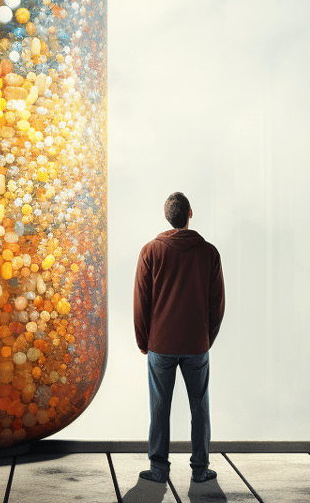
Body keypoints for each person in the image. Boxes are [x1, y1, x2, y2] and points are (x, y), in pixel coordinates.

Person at [133, 191, 225, 485]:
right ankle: (200, 469)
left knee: (160, 406)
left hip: (160, 344)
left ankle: (158, 469)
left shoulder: (150, 251)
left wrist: (142, 340)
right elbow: (217, 303)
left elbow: (141, 301)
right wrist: (205, 339)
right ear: (190, 214)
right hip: (196, 345)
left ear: (166, 216)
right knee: (199, 406)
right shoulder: (209, 252)